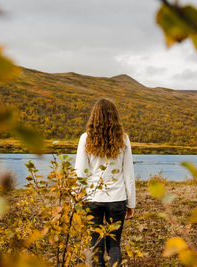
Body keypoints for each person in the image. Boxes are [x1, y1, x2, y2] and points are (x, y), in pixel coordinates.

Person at [75, 98, 136, 267]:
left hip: (92, 198)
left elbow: (80, 173)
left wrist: (76, 201)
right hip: (117, 199)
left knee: (95, 245)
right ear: (114, 116)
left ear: (94, 116)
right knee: (114, 244)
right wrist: (131, 203)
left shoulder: (85, 139)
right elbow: (128, 174)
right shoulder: (123, 139)